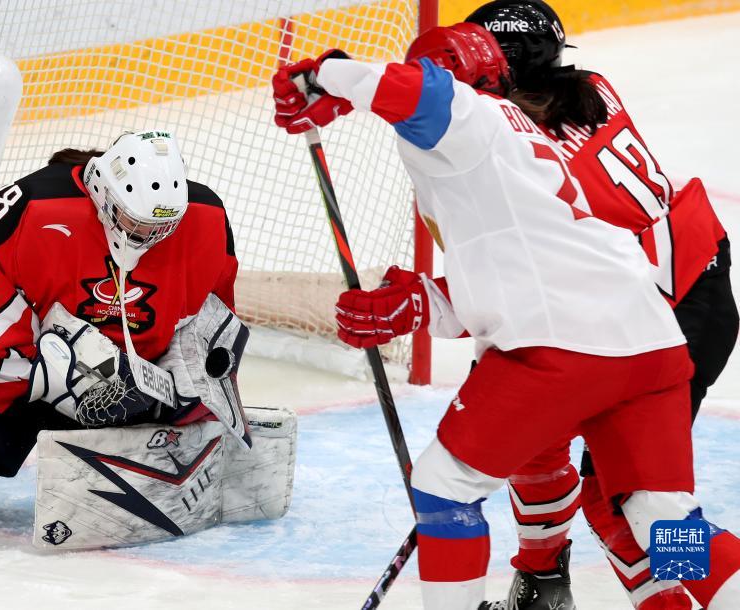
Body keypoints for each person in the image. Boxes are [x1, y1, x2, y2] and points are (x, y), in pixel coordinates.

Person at [271, 22, 740, 610]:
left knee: (445, 487)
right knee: (662, 519)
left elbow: (422, 94)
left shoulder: (471, 119)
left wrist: (322, 76)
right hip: (651, 337)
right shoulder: (526, 137)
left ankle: (538, 577)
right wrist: (421, 303)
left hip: (570, 344)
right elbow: (516, 269)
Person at [462, 2, 738, 608]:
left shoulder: (512, 145)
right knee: (608, 489)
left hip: (658, 320)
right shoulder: (588, 88)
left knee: (637, 508)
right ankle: (542, 580)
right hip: (690, 289)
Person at [0, 130, 240, 529]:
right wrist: (37, 377)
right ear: (103, 194)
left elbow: (216, 316)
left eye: (163, 227)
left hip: (135, 392)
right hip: (34, 379)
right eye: (136, 222)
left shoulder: (206, 217)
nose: (149, 237)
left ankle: (136, 468)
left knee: (201, 411)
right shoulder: (32, 207)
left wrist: (185, 378)